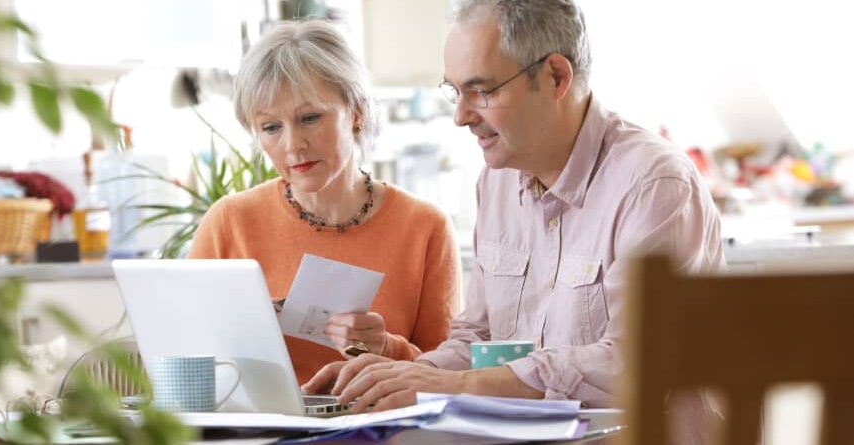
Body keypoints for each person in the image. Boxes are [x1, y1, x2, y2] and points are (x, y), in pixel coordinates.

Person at [303, 0, 724, 429]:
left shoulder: (653, 184)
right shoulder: (497, 182)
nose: (461, 116)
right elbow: (479, 338)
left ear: (556, 77)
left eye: (481, 91)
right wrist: (401, 376)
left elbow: (640, 361)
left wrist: (454, 386)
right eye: (455, 91)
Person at [188, 20, 460, 384]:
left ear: (356, 112)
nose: (293, 145)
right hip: (263, 419)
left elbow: (447, 377)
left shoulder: (424, 227)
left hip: (383, 419)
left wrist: (386, 348)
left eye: (310, 118)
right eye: (271, 127)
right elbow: (187, 354)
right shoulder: (230, 221)